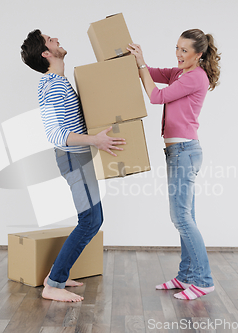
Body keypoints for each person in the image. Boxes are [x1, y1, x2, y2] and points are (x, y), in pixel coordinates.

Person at [20, 30, 126, 302]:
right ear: (46, 53)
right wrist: (96, 141)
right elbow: (55, 134)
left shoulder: (56, 81)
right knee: (90, 220)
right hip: (73, 157)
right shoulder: (53, 84)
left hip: (77, 156)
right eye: (49, 40)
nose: (55, 38)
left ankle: (58, 274)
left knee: (93, 219)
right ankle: (53, 284)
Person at [127, 29, 221, 300]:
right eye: (177, 48)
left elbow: (157, 96)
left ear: (198, 54)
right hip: (177, 152)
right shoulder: (180, 72)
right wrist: (136, 59)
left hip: (184, 152)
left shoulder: (196, 77)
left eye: (184, 51)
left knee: (180, 218)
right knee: (185, 217)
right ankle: (186, 276)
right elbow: (150, 73)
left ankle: (203, 280)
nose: (178, 54)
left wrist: (142, 65)